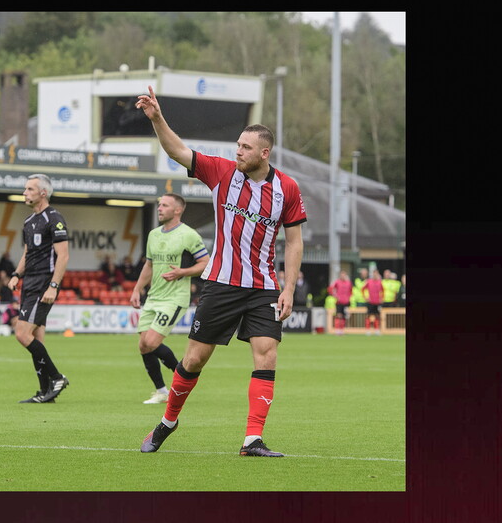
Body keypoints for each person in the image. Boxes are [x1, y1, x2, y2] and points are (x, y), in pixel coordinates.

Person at [134, 85, 306, 457]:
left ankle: (252, 440)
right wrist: (157, 118)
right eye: (237, 146)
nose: (237, 152)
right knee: (194, 359)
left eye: (245, 147)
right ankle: (167, 421)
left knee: (267, 354)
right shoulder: (221, 172)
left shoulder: (287, 189)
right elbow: (177, 150)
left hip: (263, 288)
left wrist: (288, 288)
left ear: (264, 152)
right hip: (220, 283)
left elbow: (294, 242)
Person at [129, 193, 210, 405]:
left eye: (164, 205)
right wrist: (137, 289)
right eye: (159, 205)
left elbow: (205, 263)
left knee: (151, 342)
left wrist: (182, 272)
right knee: (143, 346)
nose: (159, 208)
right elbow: (149, 265)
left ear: (178, 210)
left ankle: (183, 380)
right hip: (154, 296)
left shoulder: (189, 235)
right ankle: (162, 391)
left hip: (174, 298)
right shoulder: (154, 234)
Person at [6, 173, 71, 404]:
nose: (25, 193)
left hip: (44, 283)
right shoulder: (28, 222)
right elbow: (27, 253)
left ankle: (57, 377)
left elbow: (63, 256)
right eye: (25, 188)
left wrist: (53, 286)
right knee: (36, 338)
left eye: (30, 189)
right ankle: (45, 392)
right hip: (29, 283)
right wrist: (16, 274)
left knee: (22, 334)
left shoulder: (54, 218)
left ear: (43, 193)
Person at [327, 270, 353, 335]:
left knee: (344, 316)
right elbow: (330, 289)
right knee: (339, 315)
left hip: (346, 302)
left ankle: (342, 329)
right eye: (342, 275)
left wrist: (349, 297)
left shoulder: (349, 283)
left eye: (344, 275)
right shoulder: (337, 282)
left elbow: (351, 291)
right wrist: (335, 296)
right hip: (339, 302)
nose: (343, 276)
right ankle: (337, 329)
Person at [363, 270, 384, 335]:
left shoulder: (380, 282)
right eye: (374, 274)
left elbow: (383, 290)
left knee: (377, 316)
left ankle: (376, 330)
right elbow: (362, 289)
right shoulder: (369, 281)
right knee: (368, 316)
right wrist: (365, 297)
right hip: (370, 302)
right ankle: (368, 330)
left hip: (377, 302)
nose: (375, 275)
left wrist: (382, 298)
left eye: (376, 274)